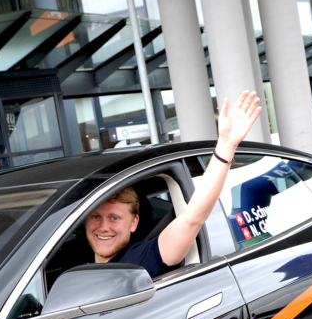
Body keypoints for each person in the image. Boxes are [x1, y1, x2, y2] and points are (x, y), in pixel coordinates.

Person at [81, 90, 263, 278]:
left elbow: (192, 219)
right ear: (85, 220)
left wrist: (226, 145)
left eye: (114, 218)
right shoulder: (70, 267)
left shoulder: (138, 261)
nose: (103, 227)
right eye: (95, 217)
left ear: (134, 222)